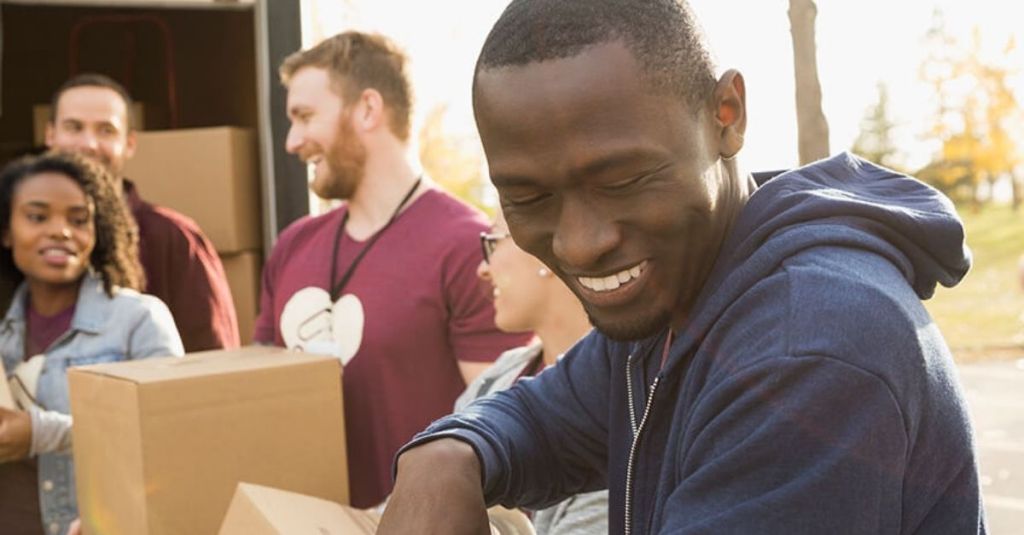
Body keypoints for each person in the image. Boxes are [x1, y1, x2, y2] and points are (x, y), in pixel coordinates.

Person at [377, 1, 986, 533]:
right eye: (529, 199)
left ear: (727, 114)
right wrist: (444, 453)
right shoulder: (686, 285)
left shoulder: (808, 347)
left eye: (623, 180)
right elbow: (542, 416)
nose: (582, 244)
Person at [255, 31, 530, 508]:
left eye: (304, 116)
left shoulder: (468, 247)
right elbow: (255, 399)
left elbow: (508, 434)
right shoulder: (293, 246)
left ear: (367, 109)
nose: (292, 141)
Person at [0, 152, 184, 535]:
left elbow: (169, 437)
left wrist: (39, 433)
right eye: (37, 217)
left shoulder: (137, 321)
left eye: (78, 220)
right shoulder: (4, 332)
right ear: (6, 231)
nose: (61, 231)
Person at [45, 74, 239, 353]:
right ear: (50, 135)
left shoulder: (174, 238)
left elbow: (214, 360)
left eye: (106, 130)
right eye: (74, 127)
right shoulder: (20, 236)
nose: (88, 143)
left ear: (130, 143)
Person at [460, 209, 606, 535]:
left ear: (545, 249)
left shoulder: (616, 404)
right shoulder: (497, 378)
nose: (483, 269)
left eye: (494, 242)